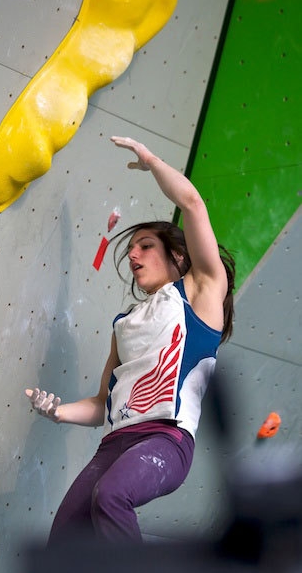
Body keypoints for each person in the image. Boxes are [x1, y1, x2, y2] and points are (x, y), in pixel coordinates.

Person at [25, 136, 236, 544]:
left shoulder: (202, 291)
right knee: (62, 542)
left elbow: (192, 203)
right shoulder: (124, 323)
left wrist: (153, 161)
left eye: (145, 246)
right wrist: (57, 412)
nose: (133, 256)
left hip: (166, 441)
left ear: (178, 255)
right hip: (114, 445)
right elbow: (102, 402)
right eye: (131, 250)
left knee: (112, 496)